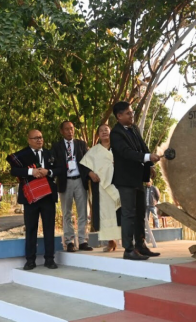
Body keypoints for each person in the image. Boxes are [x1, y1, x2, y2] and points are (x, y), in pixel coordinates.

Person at [110, 101, 161, 261]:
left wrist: (150, 164)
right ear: (119, 116)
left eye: (131, 112)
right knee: (128, 214)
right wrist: (147, 157)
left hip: (138, 178)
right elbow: (126, 153)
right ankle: (128, 249)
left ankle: (141, 245)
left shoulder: (134, 128)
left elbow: (143, 147)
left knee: (140, 213)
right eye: (128, 113)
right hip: (125, 180)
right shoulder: (116, 133)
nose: (132, 115)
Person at [7, 129, 60, 270]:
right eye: (36, 138)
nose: (39, 140)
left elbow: (60, 169)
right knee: (31, 228)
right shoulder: (22, 155)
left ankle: (50, 259)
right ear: (29, 140)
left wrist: (48, 172)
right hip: (31, 197)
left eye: (41, 137)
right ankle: (30, 260)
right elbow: (14, 171)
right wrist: (31, 171)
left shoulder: (50, 153)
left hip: (48, 196)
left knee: (49, 228)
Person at [51, 121, 92, 252]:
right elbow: (53, 163)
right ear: (61, 131)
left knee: (83, 212)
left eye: (72, 128)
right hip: (65, 181)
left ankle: (83, 240)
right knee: (66, 213)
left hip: (80, 180)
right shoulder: (56, 146)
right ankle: (69, 241)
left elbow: (87, 162)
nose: (70, 131)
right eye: (67, 129)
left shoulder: (81, 144)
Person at [81, 124, 121, 252]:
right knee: (104, 214)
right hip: (101, 188)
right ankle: (110, 241)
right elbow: (83, 166)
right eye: (101, 131)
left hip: (118, 185)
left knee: (120, 212)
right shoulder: (94, 151)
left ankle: (126, 241)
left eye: (106, 130)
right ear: (98, 134)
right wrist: (90, 173)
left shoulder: (119, 147)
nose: (104, 132)